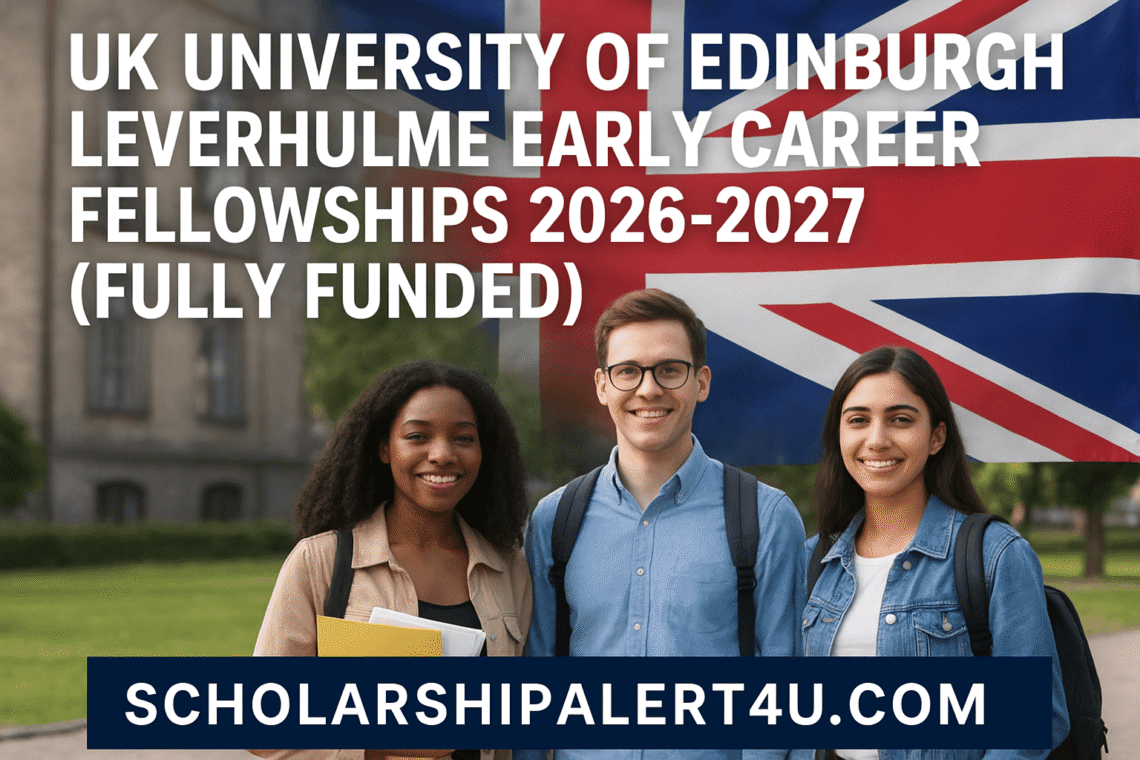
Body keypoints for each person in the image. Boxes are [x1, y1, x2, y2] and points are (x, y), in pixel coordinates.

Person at [522, 288, 807, 760]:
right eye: (628, 371)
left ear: (702, 382)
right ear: (602, 385)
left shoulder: (766, 517)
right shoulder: (556, 519)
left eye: (669, 370)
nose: (648, 389)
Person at [252, 360, 533, 760]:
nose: (442, 454)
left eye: (464, 439)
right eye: (417, 436)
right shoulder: (322, 562)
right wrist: (377, 746)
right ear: (384, 447)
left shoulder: (509, 569)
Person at [801, 346, 1068, 760]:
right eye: (858, 420)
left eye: (901, 420)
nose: (877, 439)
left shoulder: (995, 555)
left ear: (937, 437)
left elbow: (1034, 720)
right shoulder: (812, 561)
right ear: (839, 434)